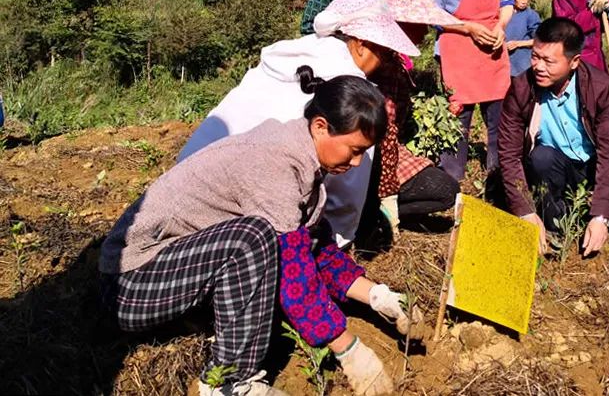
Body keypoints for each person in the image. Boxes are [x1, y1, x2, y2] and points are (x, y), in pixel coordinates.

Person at [99, 76, 422, 396]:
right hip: (130, 288)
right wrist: (348, 348)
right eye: (354, 150)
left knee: (292, 232)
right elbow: (295, 275)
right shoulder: (273, 163)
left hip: (170, 269)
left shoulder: (300, 157)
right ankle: (227, 383)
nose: (355, 163)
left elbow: (314, 244)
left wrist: (379, 297)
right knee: (253, 237)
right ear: (321, 126)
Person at [178, 0, 419, 247]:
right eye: (383, 54)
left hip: (187, 191)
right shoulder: (354, 96)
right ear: (361, 44)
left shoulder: (289, 56)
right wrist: (336, 245)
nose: (383, 63)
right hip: (236, 226)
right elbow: (346, 195)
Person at [498, 18, 609, 256]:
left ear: (574, 62)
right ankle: (555, 231)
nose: (538, 67)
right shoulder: (522, 88)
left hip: (595, 164)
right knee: (541, 157)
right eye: (535, 56)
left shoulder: (600, 86)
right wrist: (525, 211)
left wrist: (602, 216)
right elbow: (509, 155)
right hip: (557, 168)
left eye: (549, 61)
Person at [427, 0, 514, 182]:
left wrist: (500, 27)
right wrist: (470, 28)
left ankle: (499, 176)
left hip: (492, 48)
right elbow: (433, 14)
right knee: (458, 117)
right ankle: (450, 180)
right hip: (457, 48)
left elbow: (508, 1)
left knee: (498, 116)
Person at [371, 0, 464, 233]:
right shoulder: (383, 66)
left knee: (444, 187)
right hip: (369, 159)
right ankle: (371, 214)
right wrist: (388, 194)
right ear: (400, 23)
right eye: (420, 23)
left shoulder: (390, 58)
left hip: (375, 155)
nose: (425, 31)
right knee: (445, 190)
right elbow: (386, 133)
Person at [506, 0, 541, 77]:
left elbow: (540, 40)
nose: (524, 1)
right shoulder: (503, 14)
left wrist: (518, 44)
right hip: (503, 65)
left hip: (522, 67)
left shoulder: (531, 15)